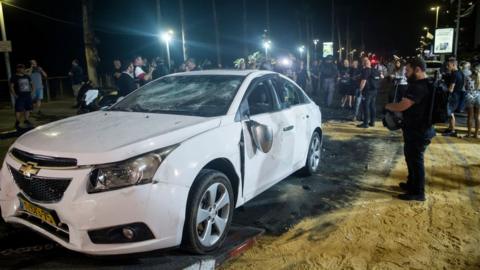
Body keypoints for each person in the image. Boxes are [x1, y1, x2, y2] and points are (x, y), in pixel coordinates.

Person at [385, 57, 435, 201]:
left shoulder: (419, 86)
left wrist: (387, 106)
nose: (405, 73)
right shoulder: (425, 83)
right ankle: (412, 184)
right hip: (416, 129)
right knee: (410, 157)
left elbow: (403, 105)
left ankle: (419, 192)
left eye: (408, 70)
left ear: (417, 70)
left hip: (419, 131)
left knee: (416, 160)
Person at [443, 58, 465, 137]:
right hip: (458, 95)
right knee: (451, 112)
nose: (447, 67)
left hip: (453, 96)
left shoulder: (454, 74)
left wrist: (445, 91)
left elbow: (451, 88)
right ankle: (450, 128)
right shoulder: (460, 73)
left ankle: (452, 130)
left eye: (448, 65)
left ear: (453, 65)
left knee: (450, 113)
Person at [10, 64, 34, 129]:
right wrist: (14, 95)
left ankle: (26, 120)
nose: (21, 69)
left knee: (28, 108)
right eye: (20, 68)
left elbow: (32, 84)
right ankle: (17, 122)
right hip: (20, 96)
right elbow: (11, 87)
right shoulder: (14, 77)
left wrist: (32, 92)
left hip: (28, 95)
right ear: (17, 69)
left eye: (22, 68)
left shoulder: (27, 76)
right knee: (18, 109)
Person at [357, 57, 379, 128]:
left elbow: (363, 81)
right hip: (374, 91)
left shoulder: (366, 70)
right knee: (372, 106)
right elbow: (382, 76)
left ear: (364, 63)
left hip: (367, 91)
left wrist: (360, 90)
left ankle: (365, 123)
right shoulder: (375, 70)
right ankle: (372, 122)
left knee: (366, 106)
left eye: (363, 61)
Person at [465, 64, 480, 138]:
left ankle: (469, 134)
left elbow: (465, 87)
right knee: (477, 116)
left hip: (469, 96)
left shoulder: (468, 77)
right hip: (478, 96)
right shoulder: (479, 78)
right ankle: (476, 134)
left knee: (470, 116)